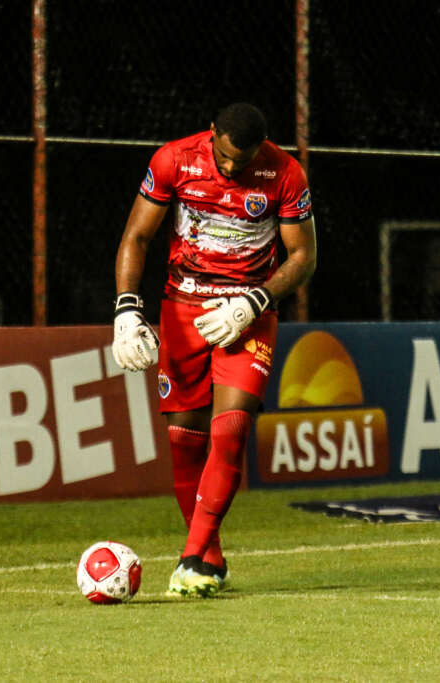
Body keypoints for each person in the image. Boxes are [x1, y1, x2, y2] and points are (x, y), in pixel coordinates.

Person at [111, 102, 318, 597]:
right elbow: (137, 237)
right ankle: (212, 559)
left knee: (232, 428)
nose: (230, 169)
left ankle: (189, 560)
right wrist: (125, 310)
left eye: (241, 162)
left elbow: (304, 256)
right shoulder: (173, 160)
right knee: (185, 440)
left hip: (247, 313)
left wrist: (256, 300)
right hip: (183, 310)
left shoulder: (285, 173)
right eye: (224, 158)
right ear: (211, 136)